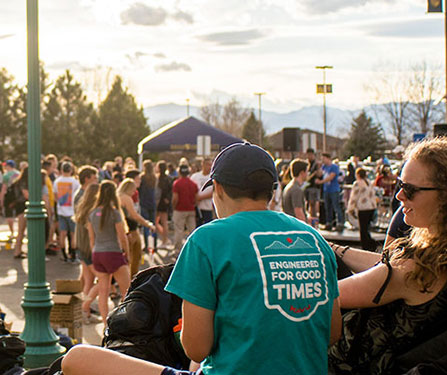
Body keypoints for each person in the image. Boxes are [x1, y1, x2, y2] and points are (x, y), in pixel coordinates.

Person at [61, 142, 342, 375]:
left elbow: (196, 348)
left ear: (217, 188)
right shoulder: (314, 239)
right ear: (272, 190)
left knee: (77, 358)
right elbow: (331, 332)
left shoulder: (207, 240)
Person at [327, 138, 447, 374]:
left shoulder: (415, 267)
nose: (399, 196)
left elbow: (327, 298)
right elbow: (385, 268)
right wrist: (338, 249)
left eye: (409, 190)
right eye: (400, 184)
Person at [87, 180, 130, 326]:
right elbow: (122, 237)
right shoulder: (114, 212)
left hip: (98, 253)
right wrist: (127, 253)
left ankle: (106, 325)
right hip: (113, 252)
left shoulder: (92, 213)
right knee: (127, 291)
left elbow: (91, 239)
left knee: (103, 292)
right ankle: (126, 322)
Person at [74, 183, 101, 324]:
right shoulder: (93, 211)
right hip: (90, 250)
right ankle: (84, 308)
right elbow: (92, 236)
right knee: (103, 281)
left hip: (82, 249)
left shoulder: (82, 209)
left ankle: (86, 312)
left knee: (89, 282)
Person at [118, 178, 156, 276]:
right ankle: (131, 278)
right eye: (133, 189)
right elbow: (134, 215)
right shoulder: (126, 198)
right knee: (134, 256)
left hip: (125, 229)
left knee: (128, 255)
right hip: (131, 229)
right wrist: (147, 224)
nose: (134, 192)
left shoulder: (118, 196)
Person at [53, 161, 81, 262]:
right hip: (72, 211)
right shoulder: (75, 182)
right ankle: (73, 254)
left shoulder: (57, 181)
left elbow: (55, 196)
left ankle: (64, 255)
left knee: (62, 233)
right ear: (71, 170)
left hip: (61, 210)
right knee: (73, 234)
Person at [347, 167, 378, 251]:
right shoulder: (369, 182)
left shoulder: (357, 183)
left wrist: (350, 208)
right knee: (367, 227)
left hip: (363, 208)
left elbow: (354, 197)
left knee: (363, 229)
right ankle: (371, 243)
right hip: (371, 207)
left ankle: (366, 245)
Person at [172, 164, 198, 251]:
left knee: (179, 230)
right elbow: (196, 198)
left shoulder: (177, 183)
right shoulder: (193, 184)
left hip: (179, 209)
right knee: (192, 230)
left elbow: (175, 198)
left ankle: (177, 249)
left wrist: (173, 206)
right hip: (190, 209)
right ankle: (194, 249)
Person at [316, 153, 344, 231]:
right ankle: (328, 222)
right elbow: (319, 174)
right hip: (326, 190)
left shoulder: (334, 167)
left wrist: (321, 182)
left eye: (324, 158)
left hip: (334, 190)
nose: (323, 160)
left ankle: (340, 223)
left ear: (328, 158)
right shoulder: (324, 167)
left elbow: (331, 177)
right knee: (327, 207)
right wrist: (318, 167)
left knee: (336, 206)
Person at [282, 158, 309, 222]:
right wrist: (306, 229)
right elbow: (299, 213)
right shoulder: (296, 190)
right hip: (295, 227)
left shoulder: (289, 186)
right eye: (307, 171)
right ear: (302, 173)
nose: (308, 174)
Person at [190, 158, 214, 227]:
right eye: (208, 165)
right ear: (202, 165)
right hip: (197, 208)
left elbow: (213, 191)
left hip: (208, 208)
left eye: (211, 165)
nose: (209, 167)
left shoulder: (212, 177)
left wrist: (200, 197)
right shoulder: (195, 176)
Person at [139, 160, 157, 251]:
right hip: (152, 202)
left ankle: (146, 245)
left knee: (146, 224)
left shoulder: (142, 177)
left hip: (144, 202)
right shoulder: (154, 177)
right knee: (153, 224)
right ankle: (155, 245)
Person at [0, 160, 20, 239]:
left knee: (9, 215)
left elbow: (4, 189)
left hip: (9, 196)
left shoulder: (6, 175)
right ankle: (19, 232)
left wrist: (1, 200)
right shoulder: (19, 173)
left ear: (9, 166)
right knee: (19, 215)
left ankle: (12, 232)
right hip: (18, 197)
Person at [155, 161, 172, 246]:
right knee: (160, 222)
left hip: (160, 201)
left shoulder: (159, 178)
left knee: (160, 221)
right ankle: (165, 238)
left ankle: (165, 239)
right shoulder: (168, 178)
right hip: (164, 202)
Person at [304, 148, 322, 226]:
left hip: (313, 187)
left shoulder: (316, 164)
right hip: (307, 186)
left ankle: (314, 220)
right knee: (307, 203)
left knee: (313, 203)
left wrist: (318, 169)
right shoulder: (307, 164)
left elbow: (320, 174)